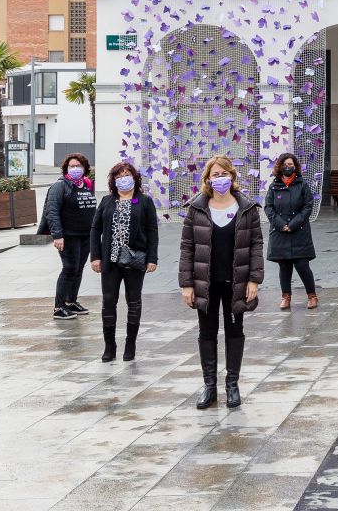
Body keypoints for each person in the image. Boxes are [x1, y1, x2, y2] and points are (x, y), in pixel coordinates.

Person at [179, 155, 264, 409]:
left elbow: (256, 245)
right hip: (205, 282)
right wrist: (187, 284)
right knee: (207, 333)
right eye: (215, 175)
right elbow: (187, 247)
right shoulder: (196, 208)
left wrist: (254, 280)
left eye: (224, 173)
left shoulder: (246, 208)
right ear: (207, 178)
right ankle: (209, 386)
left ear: (233, 176)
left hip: (236, 282)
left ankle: (232, 385)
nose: (220, 179)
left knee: (234, 331)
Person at [90, 162, 159, 362]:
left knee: (134, 301)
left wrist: (152, 258)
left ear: (135, 178)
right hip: (110, 260)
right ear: (113, 180)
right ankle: (109, 346)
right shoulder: (107, 201)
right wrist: (95, 256)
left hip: (135, 259)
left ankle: (131, 344)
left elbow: (152, 231)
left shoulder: (144, 201)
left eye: (127, 174)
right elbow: (95, 230)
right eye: (119, 176)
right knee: (109, 301)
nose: (123, 178)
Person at [38, 153, 98, 320]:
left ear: (85, 168)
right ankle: (59, 306)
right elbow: (52, 212)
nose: (75, 169)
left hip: (85, 234)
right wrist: (57, 235)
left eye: (79, 166)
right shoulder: (60, 186)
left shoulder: (86, 184)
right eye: (72, 166)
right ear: (66, 168)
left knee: (78, 269)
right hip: (68, 235)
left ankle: (71, 301)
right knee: (69, 268)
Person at [265, 152, 318, 311]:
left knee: (302, 265)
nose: (288, 167)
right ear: (280, 167)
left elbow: (308, 206)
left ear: (295, 167)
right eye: (285, 165)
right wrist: (281, 224)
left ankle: (312, 296)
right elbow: (268, 208)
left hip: (299, 231)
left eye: (291, 165)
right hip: (280, 232)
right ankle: (286, 297)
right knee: (284, 266)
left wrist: (293, 224)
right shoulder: (274, 186)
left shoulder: (302, 184)